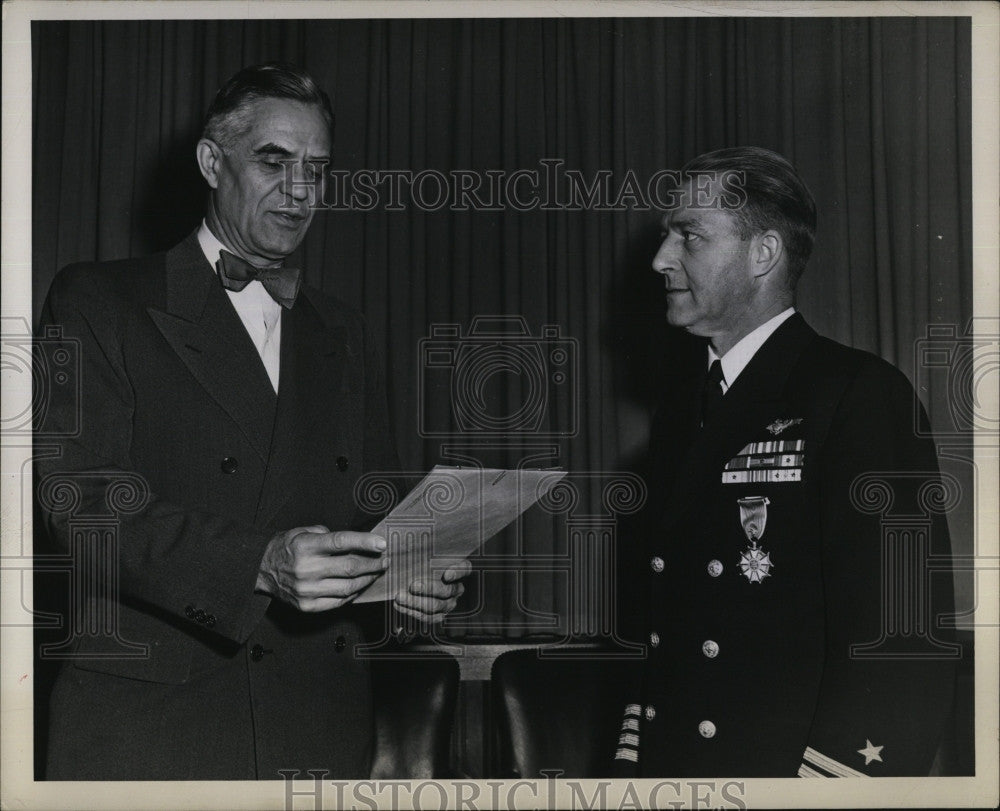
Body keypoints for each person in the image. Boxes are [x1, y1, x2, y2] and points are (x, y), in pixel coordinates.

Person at [34, 62, 469, 780]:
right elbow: (81, 506)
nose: (300, 191)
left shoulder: (344, 328)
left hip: (317, 729)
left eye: (318, 169)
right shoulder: (99, 300)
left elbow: (376, 509)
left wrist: (414, 578)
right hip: (153, 730)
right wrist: (258, 562)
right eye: (274, 161)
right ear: (212, 161)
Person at [613, 147, 957, 777]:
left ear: (763, 254)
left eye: (689, 235)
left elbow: (902, 641)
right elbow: (665, 631)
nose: (661, 258)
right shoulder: (680, 413)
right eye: (667, 235)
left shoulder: (856, 394)